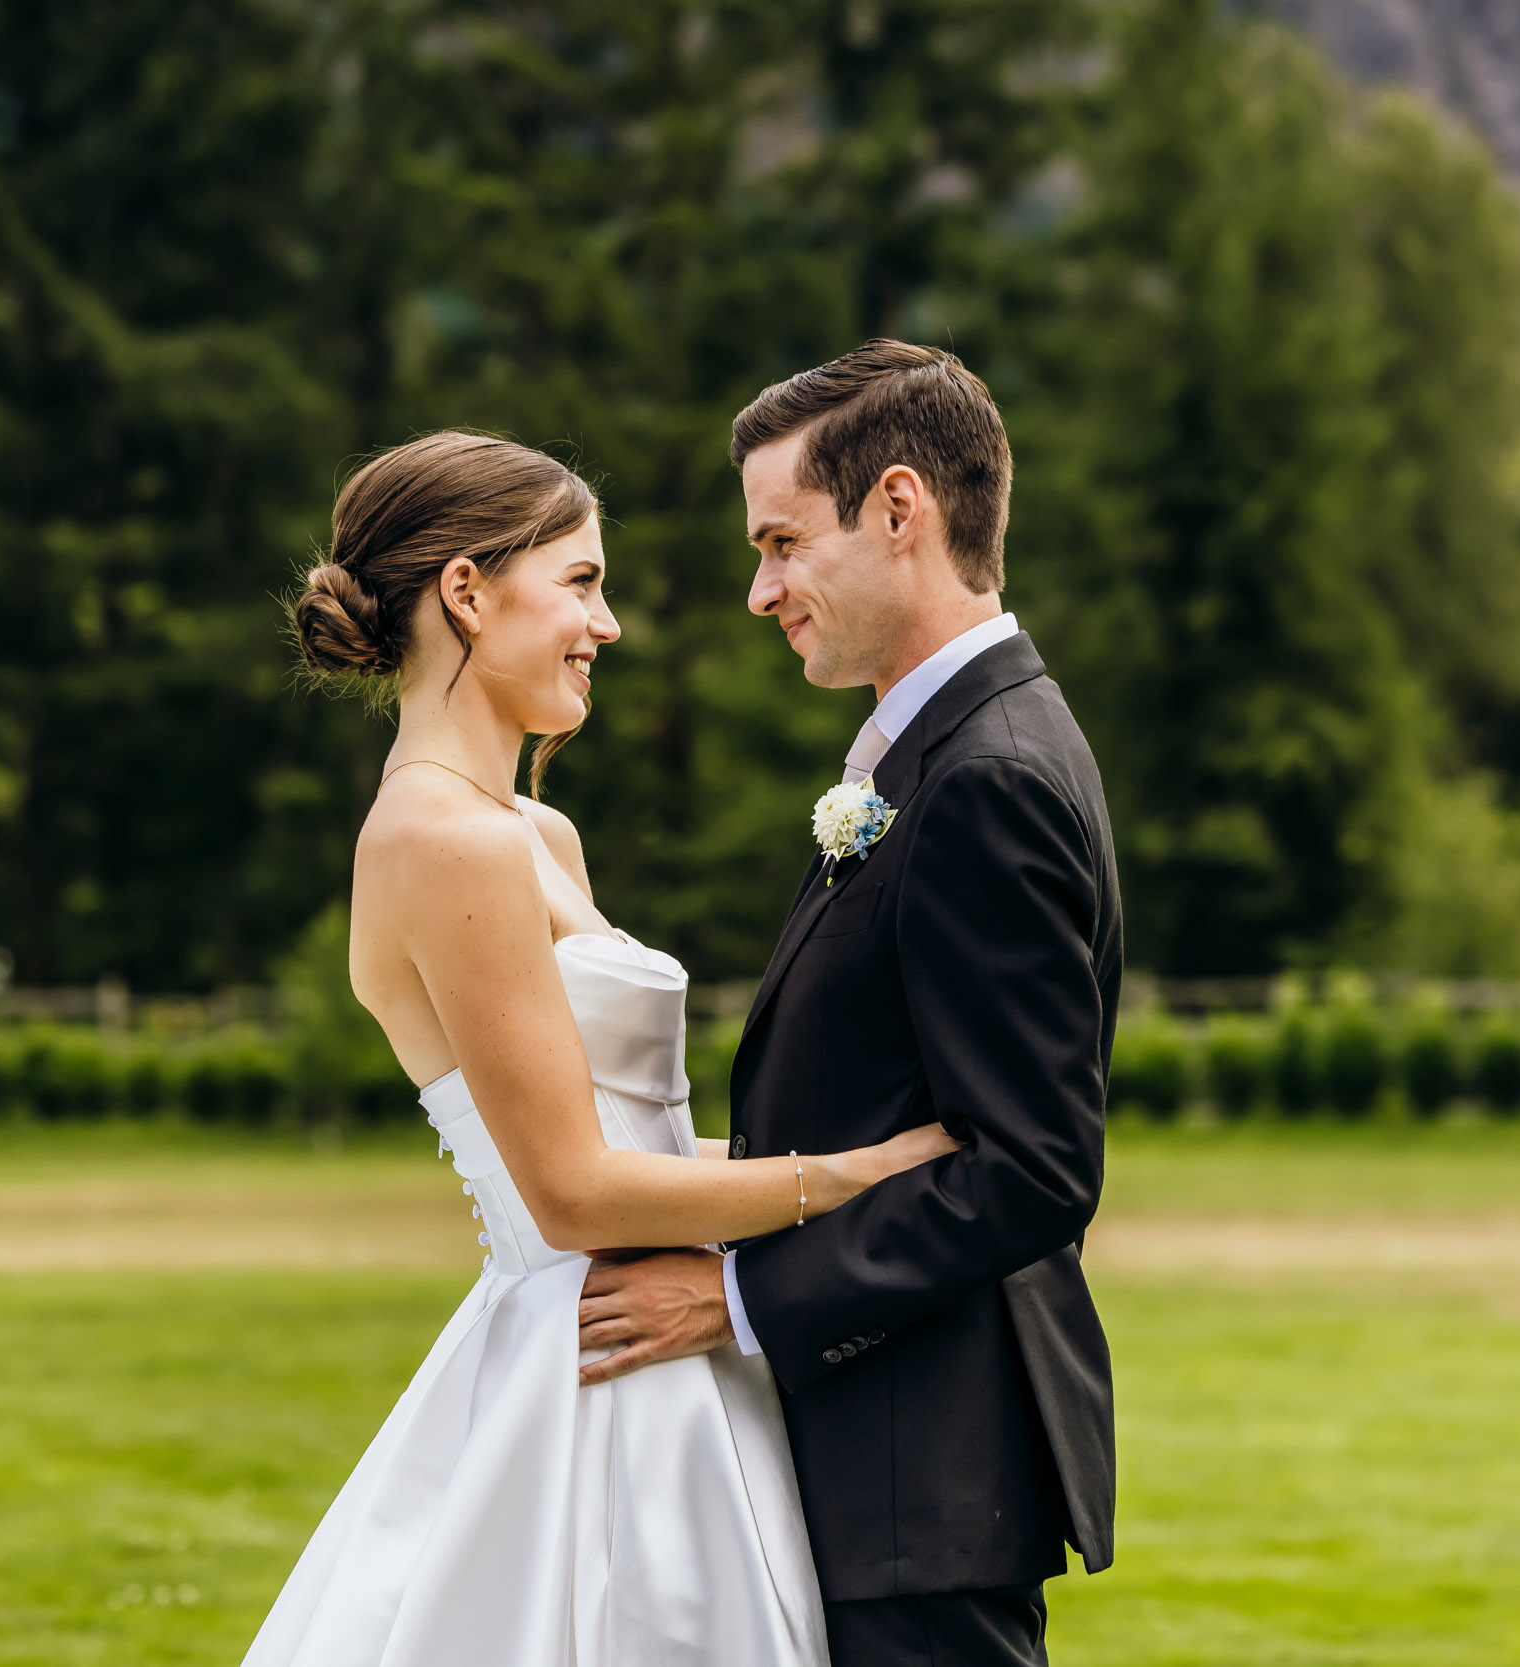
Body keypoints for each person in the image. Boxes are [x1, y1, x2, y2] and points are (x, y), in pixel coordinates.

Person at [240, 429, 960, 1667]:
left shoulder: (536, 833)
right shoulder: (439, 839)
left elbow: (637, 1138)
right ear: (466, 592)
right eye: (579, 581)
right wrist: (857, 1175)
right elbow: (573, 1191)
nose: (606, 624)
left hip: (673, 1343)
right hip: (593, 1359)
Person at [578, 341, 1121, 1667]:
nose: (759, 589)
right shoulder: (934, 753)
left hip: (921, 1470)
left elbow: (1033, 1168)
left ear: (897, 509)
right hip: (882, 1462)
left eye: (781, 543)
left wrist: (737, 1299)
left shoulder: (987, 775)